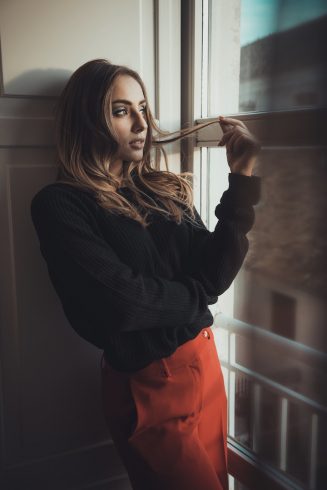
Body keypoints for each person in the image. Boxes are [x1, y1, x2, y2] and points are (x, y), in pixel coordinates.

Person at [30, 58, 261, 490]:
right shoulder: (60, 204)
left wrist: (241, 177)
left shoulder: (163, 187)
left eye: (142, 107)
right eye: (121, 111)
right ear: (86, 120)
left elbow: (217, 269)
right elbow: (121, 303)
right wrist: (197, 297)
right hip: (146, 384)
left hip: (204, 362)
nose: (141, 123)